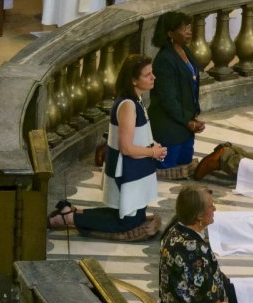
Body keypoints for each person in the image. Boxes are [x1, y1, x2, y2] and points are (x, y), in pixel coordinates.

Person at [48, 55, 165, 239]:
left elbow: (138, 135)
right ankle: (70, 218)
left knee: (136, 215)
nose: (153, 77)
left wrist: (152, 146)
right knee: (126, 222)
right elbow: (126, 148)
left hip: (136, 168)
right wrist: (152, 151)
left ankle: (72, 212)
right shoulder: (128, 105)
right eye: (147, 74)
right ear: (133, 80)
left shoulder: (137, 100)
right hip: (126, 170)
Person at [148, 11, 204, 180]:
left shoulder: (185, 50)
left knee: (185, 165)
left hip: (184, 124)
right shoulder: (164, 60)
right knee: (167, 170)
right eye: (183, 28)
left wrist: (192, 118)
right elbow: (168, 100)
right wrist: (188, 121)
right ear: (170, 33)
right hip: (169, 127)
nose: (189, 31)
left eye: (188, 26)